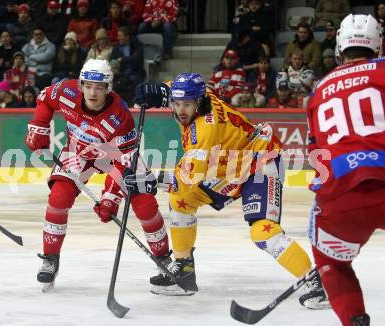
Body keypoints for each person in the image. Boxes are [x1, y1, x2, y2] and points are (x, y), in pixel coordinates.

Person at [133, 73, 329, 309]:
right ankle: (183, 269)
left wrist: (149, 180)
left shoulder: (204, 131)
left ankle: (315, 281)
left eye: (187, 105)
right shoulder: (199, 95)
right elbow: (176, 88)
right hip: (227, 168)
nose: (181, 110)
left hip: (260, 162)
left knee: (263, 232)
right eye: (176, 103)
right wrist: (157, 91)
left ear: (198, 102)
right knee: (181, 201)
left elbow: (187, 178)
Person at [24, 59, 171, 290]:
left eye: (99, 87)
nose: (93, 92)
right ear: (81, 84)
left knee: (144, 203)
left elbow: (124, 162)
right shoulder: (66, 91)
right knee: (58, 198)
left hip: (117, 158)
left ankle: (164, 259)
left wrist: (111, 197)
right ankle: (50, 259)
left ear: (108, 88)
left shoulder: (121, 117)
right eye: (89, 86)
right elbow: (44, 98)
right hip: (79, 151)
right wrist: (39, 126)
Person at [306, 14, 385, 326]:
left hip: (339, 197)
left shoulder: (317, 91)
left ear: (339, 47)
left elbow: (316, 154)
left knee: (331, 263)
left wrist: (323, 203)